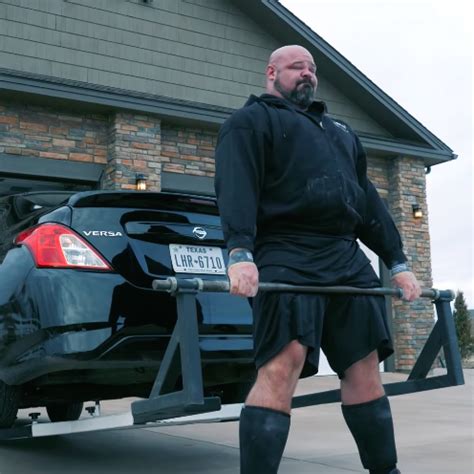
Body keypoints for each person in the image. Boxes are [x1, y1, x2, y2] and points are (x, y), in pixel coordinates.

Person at [214, 45, 421, 474]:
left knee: (364, 367)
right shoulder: (250, 123)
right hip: (285, 252)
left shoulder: (340, 131)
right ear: (271, 72)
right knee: (282, 364)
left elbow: (367, 203)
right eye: (296, 67)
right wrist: (239, 253)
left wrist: (397, 262)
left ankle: (386, 471)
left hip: (345, 256)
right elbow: (236, 190)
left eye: (312, 68)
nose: (307, 73)